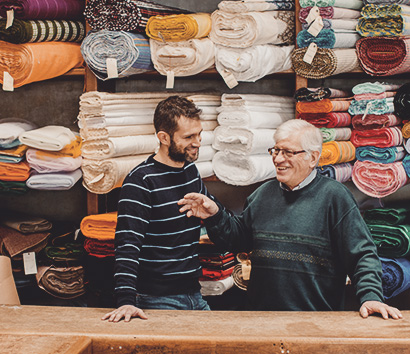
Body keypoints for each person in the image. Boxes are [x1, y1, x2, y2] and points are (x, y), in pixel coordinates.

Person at [179, 119, 402, 320]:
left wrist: (371, 297)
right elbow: (238, 241)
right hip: (261, 321)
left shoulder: (335, 198)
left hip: (316, 324)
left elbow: (362, 254)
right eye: (275, 150)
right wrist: (215, 215)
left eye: (287, 152)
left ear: (313, 157)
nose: (277, 159)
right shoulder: (262, 194)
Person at [102, 95, 217, 322]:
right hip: (155, 299)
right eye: (189, 137)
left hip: (194, 294)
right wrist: (125, 300)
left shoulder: (190, 172)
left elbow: (209, 213)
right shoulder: (141, 181)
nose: (198, 142)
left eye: (199, 134)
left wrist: (216, 212)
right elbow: (127, 244)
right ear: (163, 138)